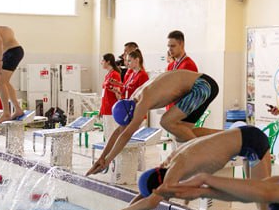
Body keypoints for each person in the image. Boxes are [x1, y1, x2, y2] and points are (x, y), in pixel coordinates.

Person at [94, 125, 273, 210]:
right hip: (246, 138)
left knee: (264, 208)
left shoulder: (176, 169)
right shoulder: (169, 165)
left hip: (252, 144)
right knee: (259, 197)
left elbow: (151, 201)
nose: (167, 197)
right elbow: (147, 195)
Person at [87, 69, 220, 175]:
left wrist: (108, 160)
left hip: (202, 85)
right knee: (182, 133)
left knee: (166, 122)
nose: (132, 122)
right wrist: (102, 158)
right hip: (203, 84)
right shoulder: (132, 100)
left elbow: (126, 134)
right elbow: (120, 131)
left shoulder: (143, 101)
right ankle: (229, 135)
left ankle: (202, 157)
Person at [99, 53, 123, 138]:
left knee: (111, 133)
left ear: (108, 62)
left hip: (111, 108)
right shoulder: (108, 75)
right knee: (106, 133)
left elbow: (118, 93)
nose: (101, 62)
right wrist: (101, 108)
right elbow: (104, 93)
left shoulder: (115, 74)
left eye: (102, 60)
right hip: (106, 108)